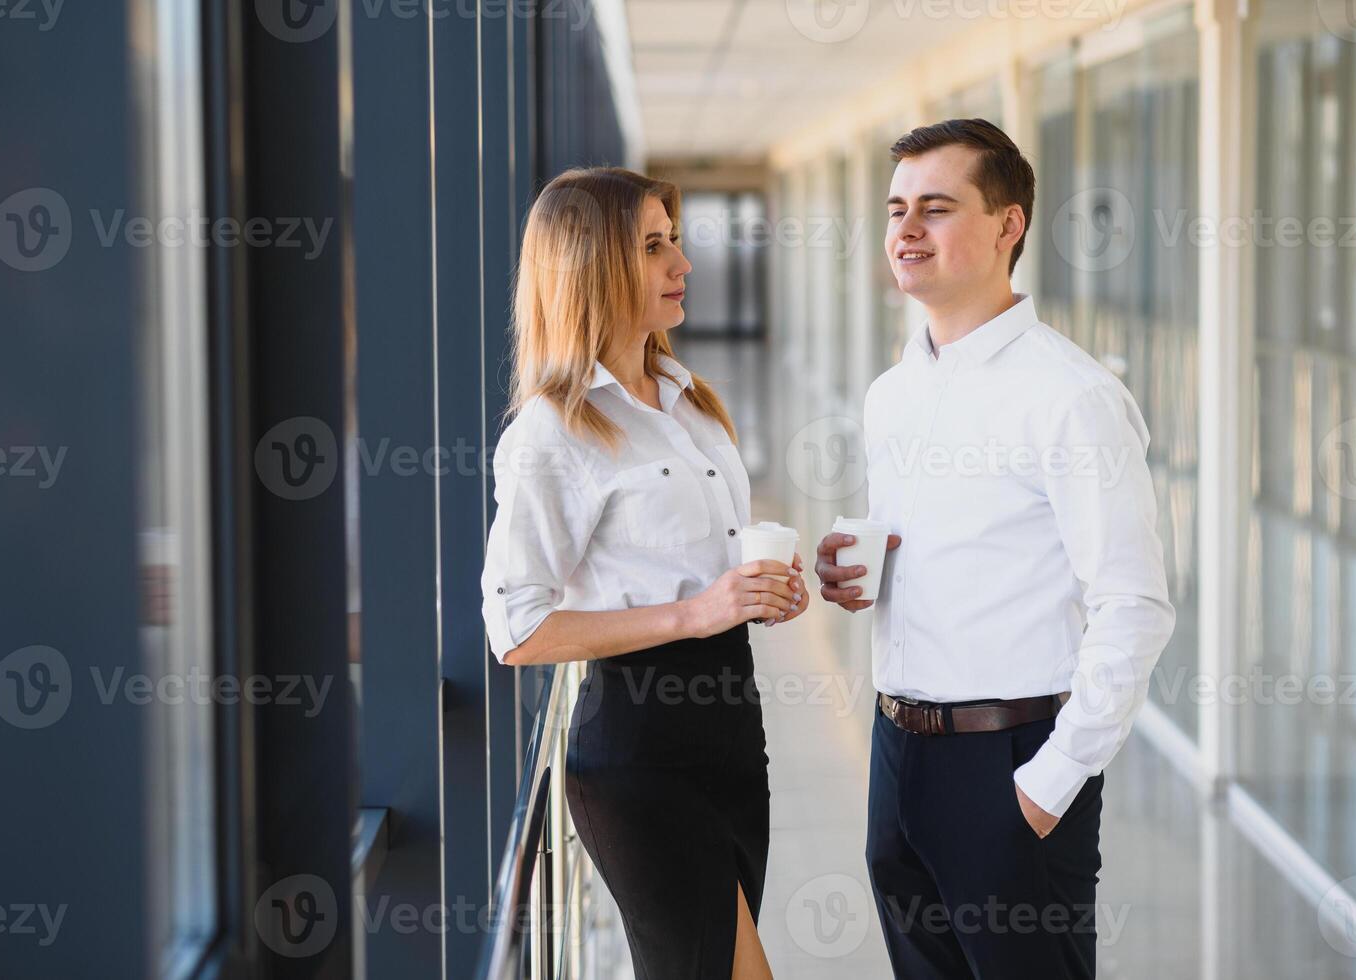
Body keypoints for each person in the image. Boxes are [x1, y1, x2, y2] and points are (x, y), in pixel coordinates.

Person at [814, 119, 1176, 978]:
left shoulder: (1071, 397)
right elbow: (933, 550)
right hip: (898, 752)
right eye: (897, 207)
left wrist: (1050, 784)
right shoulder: (893, 393)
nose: (906, 230)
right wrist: (858, 574)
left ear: (1008, 225)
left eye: (936, 208)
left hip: (1012, 759)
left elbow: (1135, 606)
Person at [481, 166, 809, 980]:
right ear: (591, 266)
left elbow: (705, 572)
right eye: (654, 246)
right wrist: (694, 615)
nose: (681, 265)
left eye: (676, 241)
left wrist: (766, 589)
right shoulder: (552, 433)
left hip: (734, 732)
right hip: (639, 749)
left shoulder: (690, 400)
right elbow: (514, 629)